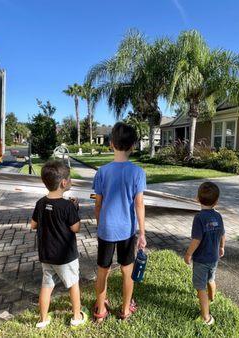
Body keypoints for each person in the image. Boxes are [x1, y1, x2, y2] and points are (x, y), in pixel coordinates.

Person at [92, 122, 147, 322]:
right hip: (126, 230)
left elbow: (97, 205)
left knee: (102, 269)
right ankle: (125, 309)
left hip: (106, 229)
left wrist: (101, 224)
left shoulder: (102, 171)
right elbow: (139, 205)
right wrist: (142, 233)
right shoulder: (138, 172)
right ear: (133, 145)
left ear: (110, 143)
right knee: (127, 270)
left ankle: (100, 310)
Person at [30, 160, 88, 329]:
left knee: (46, 286)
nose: (71, 181)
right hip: (65, 257)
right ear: (64, 183)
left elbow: (33, 225)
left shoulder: (40, 203)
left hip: (46, 255)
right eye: (70, 179)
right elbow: (75, 228)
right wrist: (75, 209)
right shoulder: (67, 206)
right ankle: (77, 317)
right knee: (73, 284)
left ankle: (42, 320)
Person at [184, 182, 226, 326]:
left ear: (197, 198)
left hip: (201, 259)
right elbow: (222, 234)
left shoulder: (199, 218)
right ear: (216, 201)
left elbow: (196, 239)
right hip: (214, 257)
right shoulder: (218, 216)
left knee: (200, 287)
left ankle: (206, 317)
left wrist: (188, 254)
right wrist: (222, 247)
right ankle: (212, 298)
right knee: (211, 279)